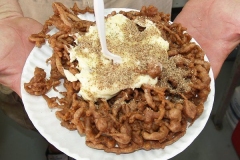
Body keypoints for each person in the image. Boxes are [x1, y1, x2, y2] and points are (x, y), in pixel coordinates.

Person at [0, 0, 239, 159]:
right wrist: (5, 14)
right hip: (32, 13)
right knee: (47, 122)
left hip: (138, 17)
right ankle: (58, 150)